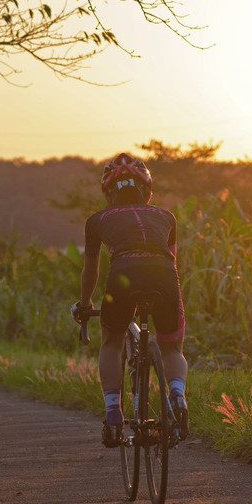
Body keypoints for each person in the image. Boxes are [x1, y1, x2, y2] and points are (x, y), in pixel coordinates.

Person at [71, 152, 189, 447]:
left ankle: (113, 414)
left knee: (112, 340)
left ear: (109, 193)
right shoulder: (166, 217)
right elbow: (172, 260)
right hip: (164, 276)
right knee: (172, 346)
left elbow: (91, 270)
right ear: (147, 190)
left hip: (123, 273)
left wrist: (85, 304)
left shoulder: (97, 220)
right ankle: (177, 395)